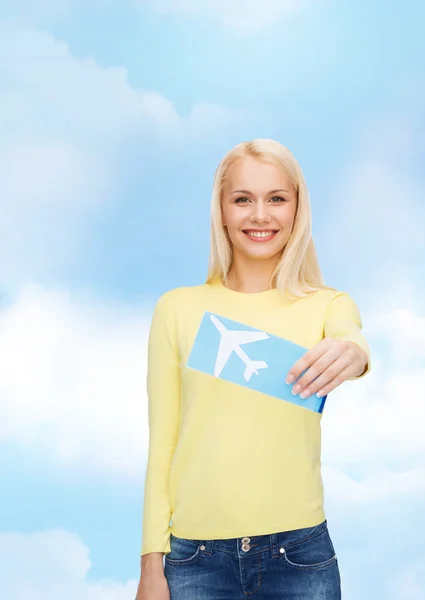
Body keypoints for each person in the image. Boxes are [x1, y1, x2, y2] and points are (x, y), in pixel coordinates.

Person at [135, 139, 370, 600]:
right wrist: (150, 566)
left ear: (297, 210)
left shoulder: (327, 306)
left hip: (299, 557)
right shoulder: (178, 309)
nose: (260, 215)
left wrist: (355, 352)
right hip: (193, 561)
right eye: (243, 199)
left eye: (276, 199)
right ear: (221, 210)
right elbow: (162, 443)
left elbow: (351, 339)